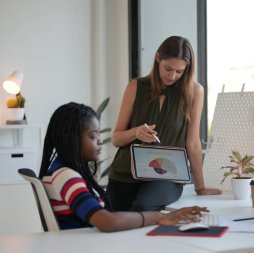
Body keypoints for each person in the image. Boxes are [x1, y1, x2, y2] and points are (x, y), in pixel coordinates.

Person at [38, 102, 208, 232]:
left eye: (99, 134)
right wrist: (160, 217)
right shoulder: (66, 176)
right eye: (92, 136)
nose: (99, 141)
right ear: (71, 138)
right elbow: (107, 222)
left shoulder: (59, 171)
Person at [107, 35, 222, 212]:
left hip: (166, 177)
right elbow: (116, 139)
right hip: (124, 175)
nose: (172, 76)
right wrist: (135, 132)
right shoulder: (134, 87)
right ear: (158, 58)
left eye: (180, 71)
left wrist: (200, 187)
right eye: (168, 68)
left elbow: (192, 143)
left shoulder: (195, 92)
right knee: (120, 229)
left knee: (143, 207)